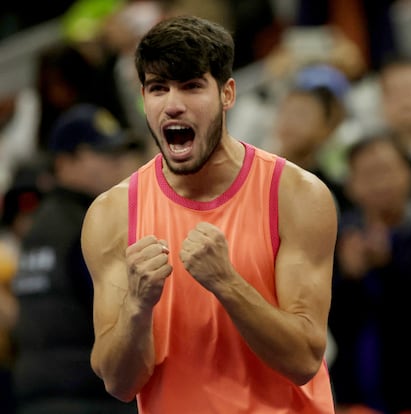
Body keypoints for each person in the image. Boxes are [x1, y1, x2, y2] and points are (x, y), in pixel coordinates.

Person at [81, 15, 338, 413]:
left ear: (228, 94)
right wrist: (136, 305)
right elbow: (119, 382)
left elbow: (303, 360)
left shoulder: (296, 195)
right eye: (158, 88)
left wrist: (226, 282)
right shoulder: (111, 214)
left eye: (191, 86)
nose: (173, 105)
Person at [11, 103, 144, 414]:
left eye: (119, 154)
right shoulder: (85, 226)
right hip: (92, 396)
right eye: (105, 155)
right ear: (64, 161)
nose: (119, 164)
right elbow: (120, 315)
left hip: (38, 396)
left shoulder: (38, 228)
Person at [328, 131, 411, 414]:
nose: (379, 183)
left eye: (387, 171)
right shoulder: (336, 239)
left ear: (409, 174)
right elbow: (328, 325)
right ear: (351, 186)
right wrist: (350, 277)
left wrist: (389, 267)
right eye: (367, 174)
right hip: (352, 399)